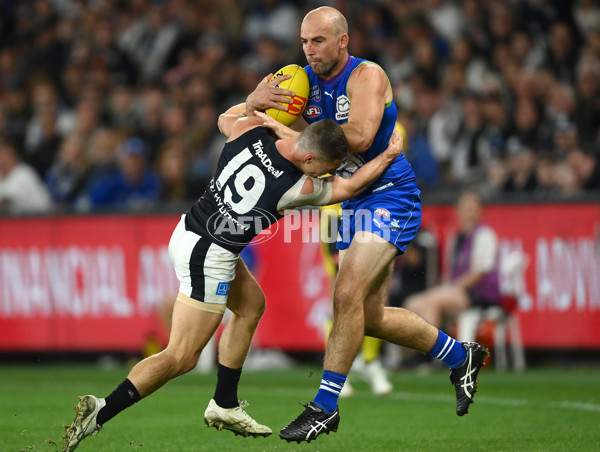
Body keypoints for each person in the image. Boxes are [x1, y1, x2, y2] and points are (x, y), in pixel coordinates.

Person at [62, 103, 404, 451]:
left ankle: (225, 403)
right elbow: (349, 188)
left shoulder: (251, 131)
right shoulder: (298, 187)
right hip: (211, 255)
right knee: (182, 356)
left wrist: (254, 99)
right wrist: (389, 154)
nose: (325, 176)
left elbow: (225, 117)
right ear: (312, 159)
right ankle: (102, 411)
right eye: (327, 169)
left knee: (252, 305)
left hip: (188, 229)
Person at [233, 7, 489, 443]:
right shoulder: (299, 80)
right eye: (303, 41)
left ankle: (324, 407)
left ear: (342, 41)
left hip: (390, 192)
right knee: (367, 316)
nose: (308, 51)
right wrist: (254, 105)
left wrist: (291, 135)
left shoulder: (367, 76)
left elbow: (361, 136)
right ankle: (459, 355)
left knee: (346, 292)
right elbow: (240, 125)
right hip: (350, 197)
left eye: (318, 41)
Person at [405, 189, 500, 331]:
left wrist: (452, 288)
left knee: (433, 303)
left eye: (474, 209)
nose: (470, 213)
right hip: (457, 291)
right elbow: (449, 272)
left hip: (478, 294)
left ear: (480, 211)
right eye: (466, 209)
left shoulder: (484, 235)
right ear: (458, 211)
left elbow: (478, 274)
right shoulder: (455, 237)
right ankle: (419, 348)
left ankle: (430, 349)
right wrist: (444, 287)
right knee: (412, 303)